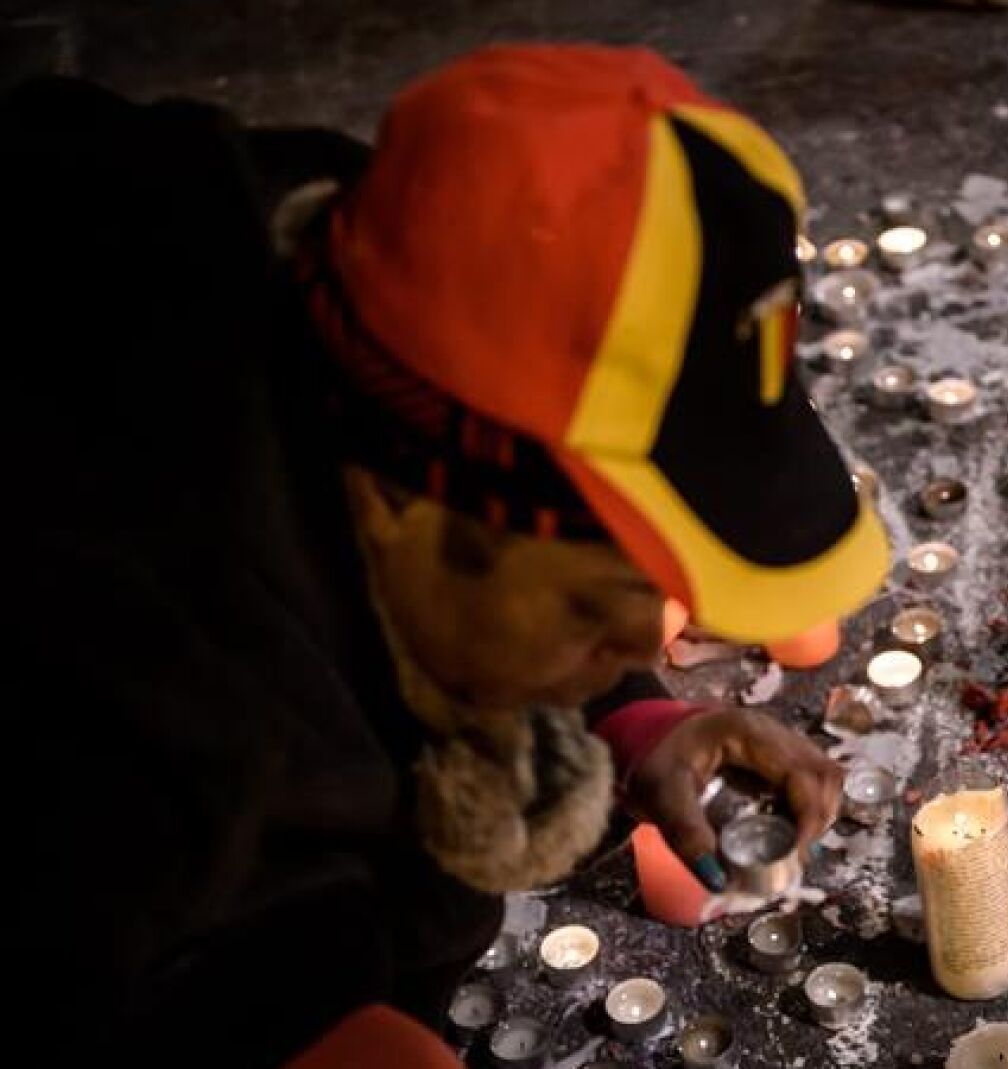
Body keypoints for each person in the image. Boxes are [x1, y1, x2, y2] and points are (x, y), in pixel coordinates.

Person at [6, 44, 888, 1066]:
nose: (653, 636)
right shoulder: (130, 700)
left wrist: (624, 717)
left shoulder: (395, 258)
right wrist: (285, 1015)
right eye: (594, 612)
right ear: (395, 508)